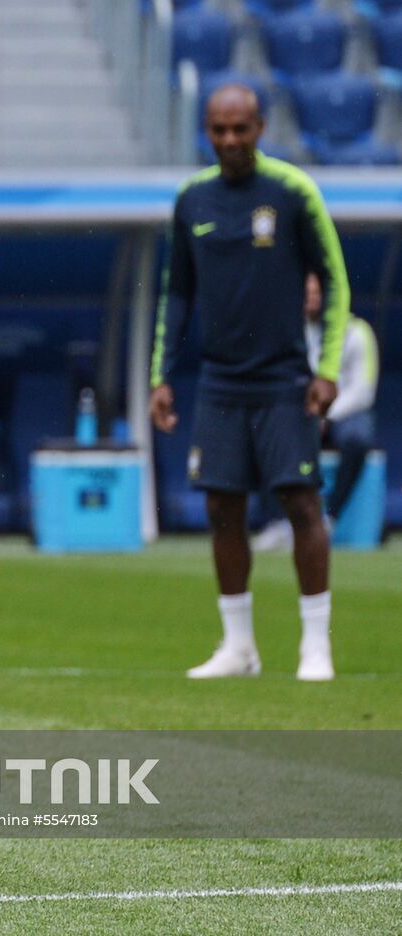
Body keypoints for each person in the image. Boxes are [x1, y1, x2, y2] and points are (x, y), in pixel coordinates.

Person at [149, 84, 350, 683]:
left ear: (260, 127)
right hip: (219, 382)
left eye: (240, 129)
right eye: (219, 130)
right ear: (206, 132)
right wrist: (161, 375)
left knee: (301, 504)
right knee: (220, 507)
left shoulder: (292, 192)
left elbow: (334, 282)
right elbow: (175, 292)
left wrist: (328, 370)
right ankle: (239, 647)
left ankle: (316, 646)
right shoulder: (191, 199)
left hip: (286, 379)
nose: (230, 140)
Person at [254, 273, 379, 550]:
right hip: (302, 412)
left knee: (357, 438)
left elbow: (363, 391)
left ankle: (329, 518)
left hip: (341, 413)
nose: (311, 299)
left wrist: (327, 414)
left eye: (317, 292)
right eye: (306, 292)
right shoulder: (289, 331)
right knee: (265, 431)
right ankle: (277, 522)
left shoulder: (356, 333)